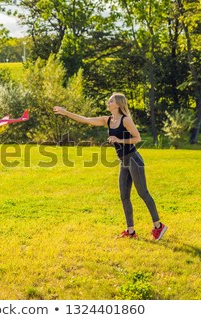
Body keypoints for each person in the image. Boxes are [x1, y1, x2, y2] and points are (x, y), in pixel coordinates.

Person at [53, 93, 167, 240]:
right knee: (124, 196)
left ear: (118, 104)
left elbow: (137, 138)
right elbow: (86, 120)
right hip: (123, 161)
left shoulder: (125, 120)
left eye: (111, 100)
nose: (108, 102)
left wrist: (118, 139)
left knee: (142, 193)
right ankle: (130, 231)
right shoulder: (108, 120)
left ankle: (158, 226)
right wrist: (65, 112)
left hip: (133, 159)